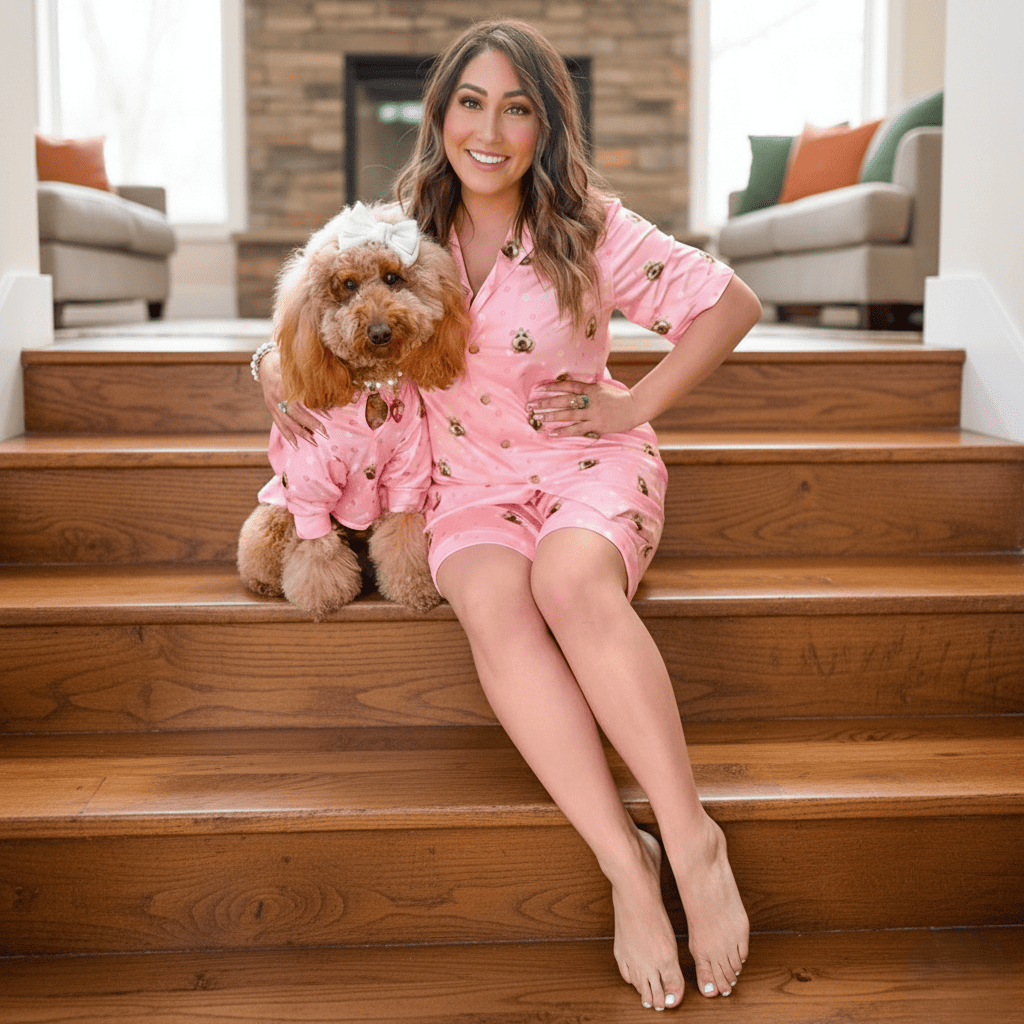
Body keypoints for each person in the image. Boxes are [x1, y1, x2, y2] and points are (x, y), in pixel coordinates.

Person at [254, 19, 762, 1011]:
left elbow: (728, 303)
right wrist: (273, 370)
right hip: (465, 484)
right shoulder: (399, 229)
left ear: (545, 125)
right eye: (471, 103)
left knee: (567, 581)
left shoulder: (588, 224)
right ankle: (627, 863)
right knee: (495, 601)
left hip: (586, 463)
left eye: (517, 107)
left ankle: (692, 837)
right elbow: (321, 319)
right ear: (440, 114)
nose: (490, 130)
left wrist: (634, 403)